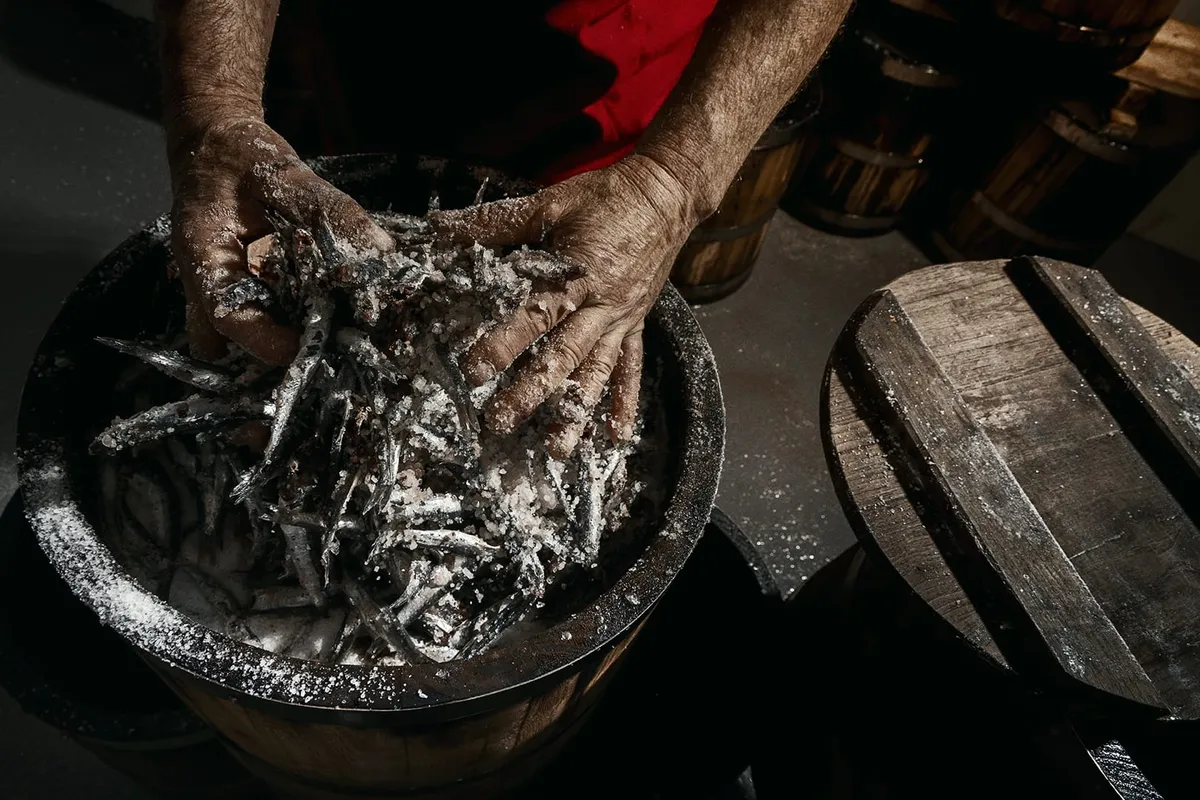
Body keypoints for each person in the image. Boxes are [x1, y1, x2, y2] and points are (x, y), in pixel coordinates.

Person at [154, 0, 851, 457]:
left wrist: (671, 180)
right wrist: (216, 112)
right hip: (356, 42)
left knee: (557, 355)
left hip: (619, 93)